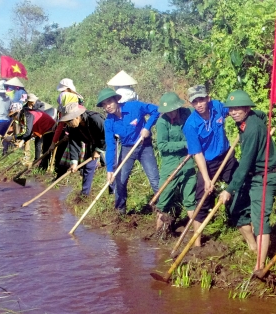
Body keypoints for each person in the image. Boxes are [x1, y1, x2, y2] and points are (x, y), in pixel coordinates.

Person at [218, 90, 276, 270]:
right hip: (253, 176)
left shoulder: (253, 128)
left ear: (246, 108)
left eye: (238, 108)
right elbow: (260, 113)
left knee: (260, 220)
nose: (234, 112)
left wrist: (229, 189)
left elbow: (244, 164)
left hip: (265, 177)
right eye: (231, 109)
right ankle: (253, 246)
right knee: (235, 207)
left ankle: (260, 266)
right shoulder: (248, 119)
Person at [183, 84, 236, 246]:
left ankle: (242, 220)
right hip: (207, 163)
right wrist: (207, 179)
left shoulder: (218, 107)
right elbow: (197, 154)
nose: (199, 104)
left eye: (201, 100)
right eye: (195, 102)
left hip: (227, 156)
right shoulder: (190, 125)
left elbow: (235, 113)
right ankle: (197, 241)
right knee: (202, 198)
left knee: (240, 184)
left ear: (208, 98)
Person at [98, 88, 160, 212]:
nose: (107, 106)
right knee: (119, 180)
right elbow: (111, 146)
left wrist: (147, 127)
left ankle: (163, 207)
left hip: (144, 146)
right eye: (104, 105)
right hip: (127, 148)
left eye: (109, 102)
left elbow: (156, 110)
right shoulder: (109, 122)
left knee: (154, 179)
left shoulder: (134, 107)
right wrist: (110, 169)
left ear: (116, 99)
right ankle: (120, 211)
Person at [154, 92, 197, 232]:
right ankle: (158, 232)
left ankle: (196, 233)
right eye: (167, 111)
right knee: (164, 200)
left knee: (190, 200)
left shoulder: (188, 113)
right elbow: (162, 146)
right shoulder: (162, 123)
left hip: (188, 161)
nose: (171, 114)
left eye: (172, 110)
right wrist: (184, 144)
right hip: (170, 164)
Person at [53, 103, 106, 196]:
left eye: (69, 121)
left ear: (77, 117)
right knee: (88, 167)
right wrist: (74, 162)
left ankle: (112, 192)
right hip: (91, 143)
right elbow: (74, 143)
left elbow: (106, 134)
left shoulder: (95, 119)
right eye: (66, 122)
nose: (68, 124)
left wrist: (98, 150)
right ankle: (85, 194)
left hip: (108, 140)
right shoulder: (73, 127)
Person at [15, 96, 58, 171]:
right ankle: (42, 167)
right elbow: (30, 132)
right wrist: (22, 141)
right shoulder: (26, 114)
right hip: (46, 129)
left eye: (13, 116)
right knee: (45, 149)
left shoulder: (27, 114)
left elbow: (27, 132)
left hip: (50, 129)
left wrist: (14, 137)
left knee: (46, 150)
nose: (13, 118)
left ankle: (43, 169)